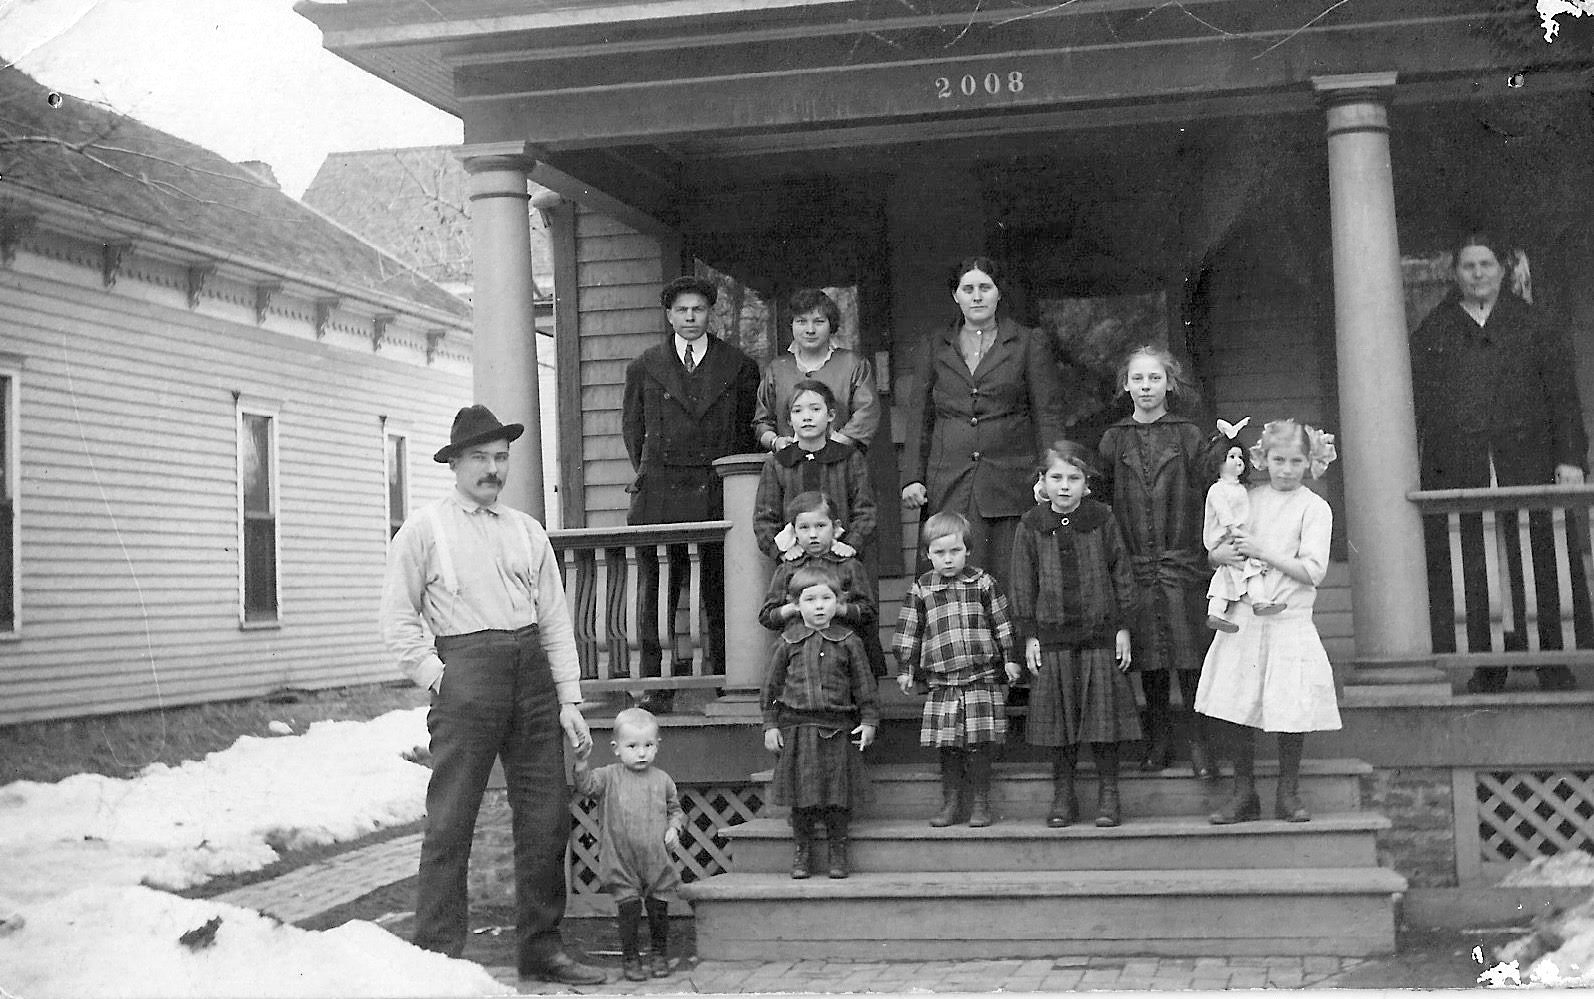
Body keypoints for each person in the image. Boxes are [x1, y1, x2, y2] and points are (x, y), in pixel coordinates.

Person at [380, 404, 605, 986]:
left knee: (547, 818)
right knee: (452, 820)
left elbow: (555, 620)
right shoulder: (424, 530)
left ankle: (541, 948)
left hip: (531, 678)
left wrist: (569, 699)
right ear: (455, 463)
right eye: (480, 457)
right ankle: (436, 956)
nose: (493, 468)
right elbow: (397, 621)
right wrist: (438, 677)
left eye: (501, 457)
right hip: (466, 677)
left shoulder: (527, 530)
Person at [1409, 231, 1587, 692]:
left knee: (1541, 555)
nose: (1478, 274)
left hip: (1528, 459)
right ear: (1456, 274)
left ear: (1502, 270)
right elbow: (1416, 405)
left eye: (1486, 265)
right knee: (1474, 561)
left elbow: (1564, 398)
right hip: (1463, 463)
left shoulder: (1535, 324)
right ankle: (1488, 663)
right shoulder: (1436, 329)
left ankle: (1553, 657)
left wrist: (1570, 458)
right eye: (1468, 266)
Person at [622, 275, 761, 712]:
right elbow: (633, 431)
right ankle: (657, 686)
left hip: (716, 491)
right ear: (669, 315)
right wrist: (653, 474)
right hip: (661, 493)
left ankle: (728, 678)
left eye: (697, 310)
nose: (689, 317)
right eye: (681, 310)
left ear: (709, 313)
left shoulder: (738, 365)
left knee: (721, 588)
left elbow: (745, 434)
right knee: (659, 589)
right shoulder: (645, 366)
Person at [1197, 419, 1341, 824]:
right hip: (1245, 614)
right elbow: (1220, 548)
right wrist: (1218, 556)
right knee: (1236, 702)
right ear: (1262, 459)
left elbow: (1313, 571)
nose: (1286, 469)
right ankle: (1244, 792)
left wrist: (1264, 551)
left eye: (1297, 461)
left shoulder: (1314, 508)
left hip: (1288, 618)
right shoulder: (1248, 498)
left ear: (1311, 462)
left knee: (1289, 705)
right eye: (1278, 460)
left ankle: (1288, 791)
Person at [902, 256, 1068, 589]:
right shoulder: (934, 345)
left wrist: (1053, 473)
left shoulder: (1026, 342)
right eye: (968, 289)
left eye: (985, 287)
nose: (977, 296)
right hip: (949, 480)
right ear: (956, 296)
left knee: (1010, 578)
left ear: (998, 294)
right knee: (949, 572)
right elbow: (920, 414)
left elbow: (1046, 413)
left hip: (1010, 479)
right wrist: (912, 477)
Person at [1096, 345, 1222, 778]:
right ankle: (1158, 743)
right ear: (1125, 385)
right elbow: (1100, 498)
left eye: (1154, 379)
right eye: (1137, 379)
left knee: (1190, 660)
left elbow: (1214, 485)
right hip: (1135, 564)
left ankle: (1200, 745)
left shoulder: (1188, 434)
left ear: (1170, 383)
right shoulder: (1114, 439)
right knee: (1149, 663)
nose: (1146, 387)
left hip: (1182, 562)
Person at [1011, 440, 1140, 829]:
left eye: (1074, 478)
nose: (1064, 486)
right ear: (1043, 481)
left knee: (1103, 721)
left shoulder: (1102, 519)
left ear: (1087, 484)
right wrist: (1030, 635)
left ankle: (1108, 794)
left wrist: (1122, 627)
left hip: (1099, 634)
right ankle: (1063, 794)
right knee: (1059, 723)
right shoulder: (1031, 525)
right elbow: (1022, 581)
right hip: (1053, 638)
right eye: (1056, 478)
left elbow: (1121, 573)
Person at [891, 511, 1021, 828]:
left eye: (955, 551)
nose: (948, 559)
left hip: (980, 678)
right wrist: (906, 667)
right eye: (939, 553)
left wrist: (1009, 658)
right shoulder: (922, 589)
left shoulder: (983, 583)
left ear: (968, 551)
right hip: (943, 681)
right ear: (927, 555)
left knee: (978, 744)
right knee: (948, 745)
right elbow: (909, 631)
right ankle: (951, 802)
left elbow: (1002, 624)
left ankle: (980, 802)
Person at [762, 564, 879, 879]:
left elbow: (863, 684)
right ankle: (801, 853)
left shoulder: (849, 641)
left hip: (839, 727)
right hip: (798, 727)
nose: (818, 606)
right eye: (810, 600)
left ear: (837, 602)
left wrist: (868, 720)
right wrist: (770, 724)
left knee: (837, 796)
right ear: (795, 604)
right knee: (802, 797)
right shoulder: (787, 642)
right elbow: (771, 687)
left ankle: (837, 853)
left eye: (825, 599)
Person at [570, 707, 685, 982]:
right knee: (629, 909)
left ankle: (659, 954)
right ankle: (631, 959)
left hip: (655, 859)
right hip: (621, 859)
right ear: (617, 748)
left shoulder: (662, 780)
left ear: (657, 746)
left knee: (659, 908)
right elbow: (586, 786)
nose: (641, 752)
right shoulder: (609, 777)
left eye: (648, 745)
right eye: (632, 746)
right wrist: (582, 762)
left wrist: (674, 828)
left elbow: (676, 810)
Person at [759, 491, 888, 677]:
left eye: (820, 526)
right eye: (804, 528)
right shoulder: (787, 569)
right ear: (793, 531)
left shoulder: (849, 565)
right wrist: (794, 608)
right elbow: (767, 616)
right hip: (799, 655)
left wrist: (837, 609)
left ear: (835, 528)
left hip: (844, 655)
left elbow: (868, 612)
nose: (813, 534)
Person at [751, 379, 877, 561]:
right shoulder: (778, 463)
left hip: (842, 557)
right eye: (798, 411)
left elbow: (865, 510)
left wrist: (850, 544)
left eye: (815, 409)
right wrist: (781, 551)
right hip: (794, 561)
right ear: (789, 420)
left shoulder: (849, 458)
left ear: (830, 415)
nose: (807, 417)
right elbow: (764, 518)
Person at [753, 287, 881, 452]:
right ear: (791, 324)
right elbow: (761, 421)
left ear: (831, 325)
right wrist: (775, 442)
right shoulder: (777, 369)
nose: (810, 330)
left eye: (819, 321)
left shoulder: (853, 365)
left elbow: (867, 414)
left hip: (841, 463)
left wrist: (835, 444)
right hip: (790, 468)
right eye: (801, 321)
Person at [1205, 419, 1281, 631]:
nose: (1237, 461)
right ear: (1218, 461)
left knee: (1229, 574)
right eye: (1231, 457)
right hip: (1226, 536)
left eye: (1240, 457)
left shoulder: (1241, 489)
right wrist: (1236, 533)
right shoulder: (1218, 490)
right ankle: (1257, 601)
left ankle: (1221, 611)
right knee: (1251, 568)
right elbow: (1225, 515)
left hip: (1239, 536)